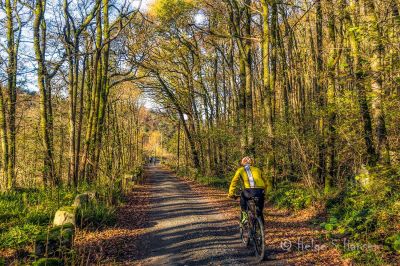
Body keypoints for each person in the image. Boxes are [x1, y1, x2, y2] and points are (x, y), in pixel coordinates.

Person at [228, 156, 267, 224]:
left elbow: (234, 182)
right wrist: (265, 192)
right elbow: (266, 182)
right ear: (251, 162)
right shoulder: (257, 169)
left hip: (248, 192)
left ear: (242, 163)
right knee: (259, 211)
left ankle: (244, 216)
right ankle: (261, 227)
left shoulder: (240, 170)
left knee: (242, 196)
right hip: (260, 191)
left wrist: (231, 193)